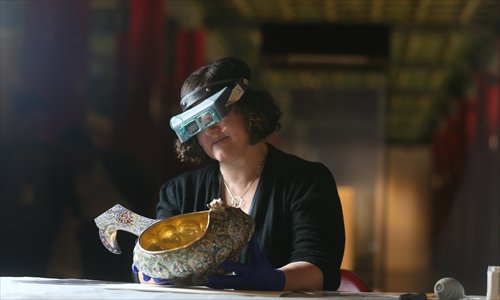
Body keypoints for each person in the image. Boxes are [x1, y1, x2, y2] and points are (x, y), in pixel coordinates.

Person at [133, 57, 345, 291]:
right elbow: (153, 264)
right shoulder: (178, 192)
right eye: (198, 123)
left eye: (216, 114)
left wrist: (276, 280)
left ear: (249, 110)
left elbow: (320, 268)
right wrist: (150, 272)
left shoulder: (307, 182)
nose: (210, 130)